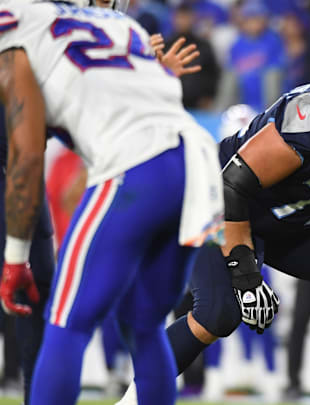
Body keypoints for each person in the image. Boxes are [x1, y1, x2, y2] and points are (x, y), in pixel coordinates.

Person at [118, 19, 310, 405]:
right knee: (219, 314)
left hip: (292, 217)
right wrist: (244, 270)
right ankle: (130, 401)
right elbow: (232, 185)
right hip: (219, 204)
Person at [0, 1, 224, 404]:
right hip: (195, 163)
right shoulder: (123, 27)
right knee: (145, 323)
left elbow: (28, 153)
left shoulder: (15, 30)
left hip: (134, 167)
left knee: (67, 324)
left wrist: (16, 256)